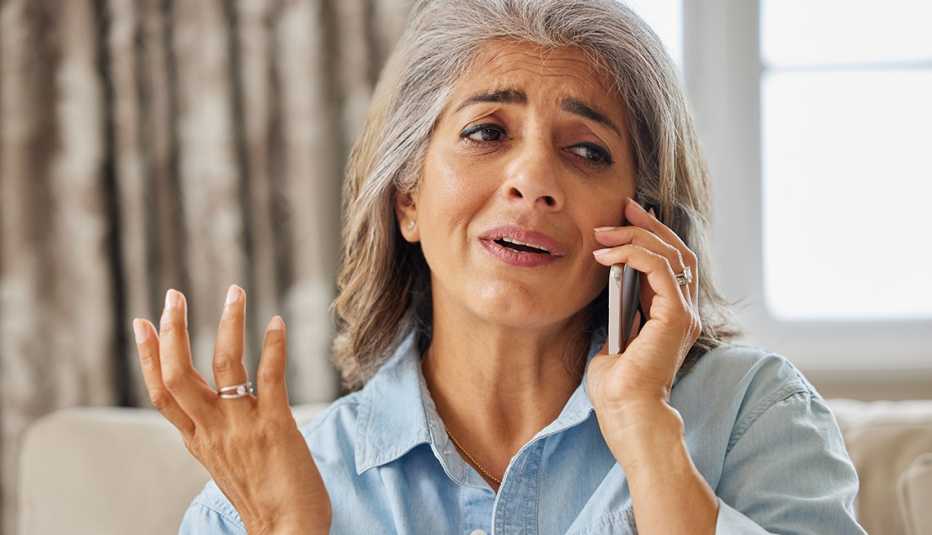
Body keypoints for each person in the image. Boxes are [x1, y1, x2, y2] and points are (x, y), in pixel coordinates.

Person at [131, 0, 868, 533]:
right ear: (408, 200)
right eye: (487, 131)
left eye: (586, 150)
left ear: (644, 219)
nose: (533, 180)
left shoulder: (749, 415)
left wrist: (648, 439)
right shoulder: (259, 497)